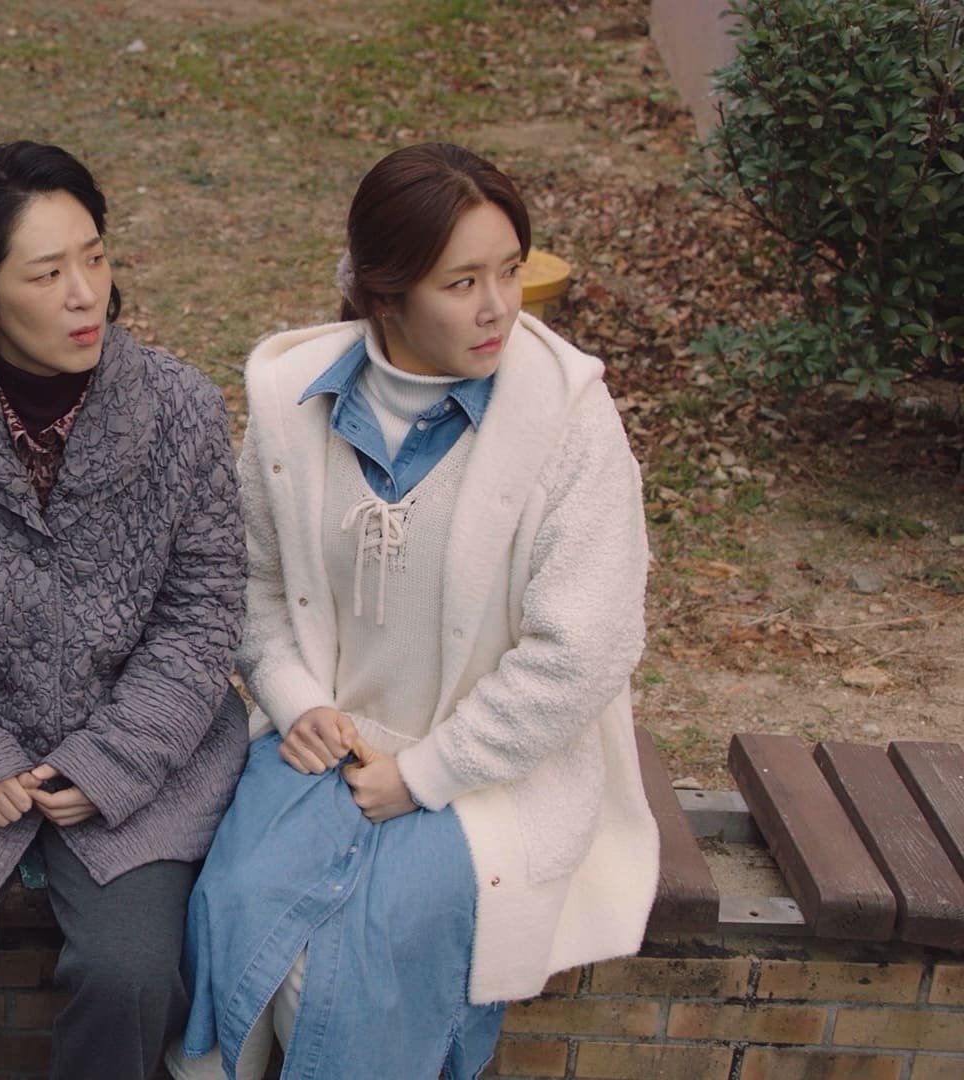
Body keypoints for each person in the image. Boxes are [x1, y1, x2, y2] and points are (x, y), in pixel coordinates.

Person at [170, 143, 657, 1080]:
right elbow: (251, 583)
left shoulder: (568, 420)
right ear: (384, 295)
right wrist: (296, 695)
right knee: (240, 908)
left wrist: (427, 773)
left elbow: (583, 651)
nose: (499, 307)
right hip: (326, 742)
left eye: (510, 271)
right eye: (462, 282)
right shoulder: (293, 404)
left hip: (493, 769)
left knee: (369, 957)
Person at [0, 140, 248, 1080]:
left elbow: (201, 615)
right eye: (47, 273)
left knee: (131, 970)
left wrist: (113, 760)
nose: (85, 294)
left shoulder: (181, 409)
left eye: (94, 258)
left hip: (142, 754)